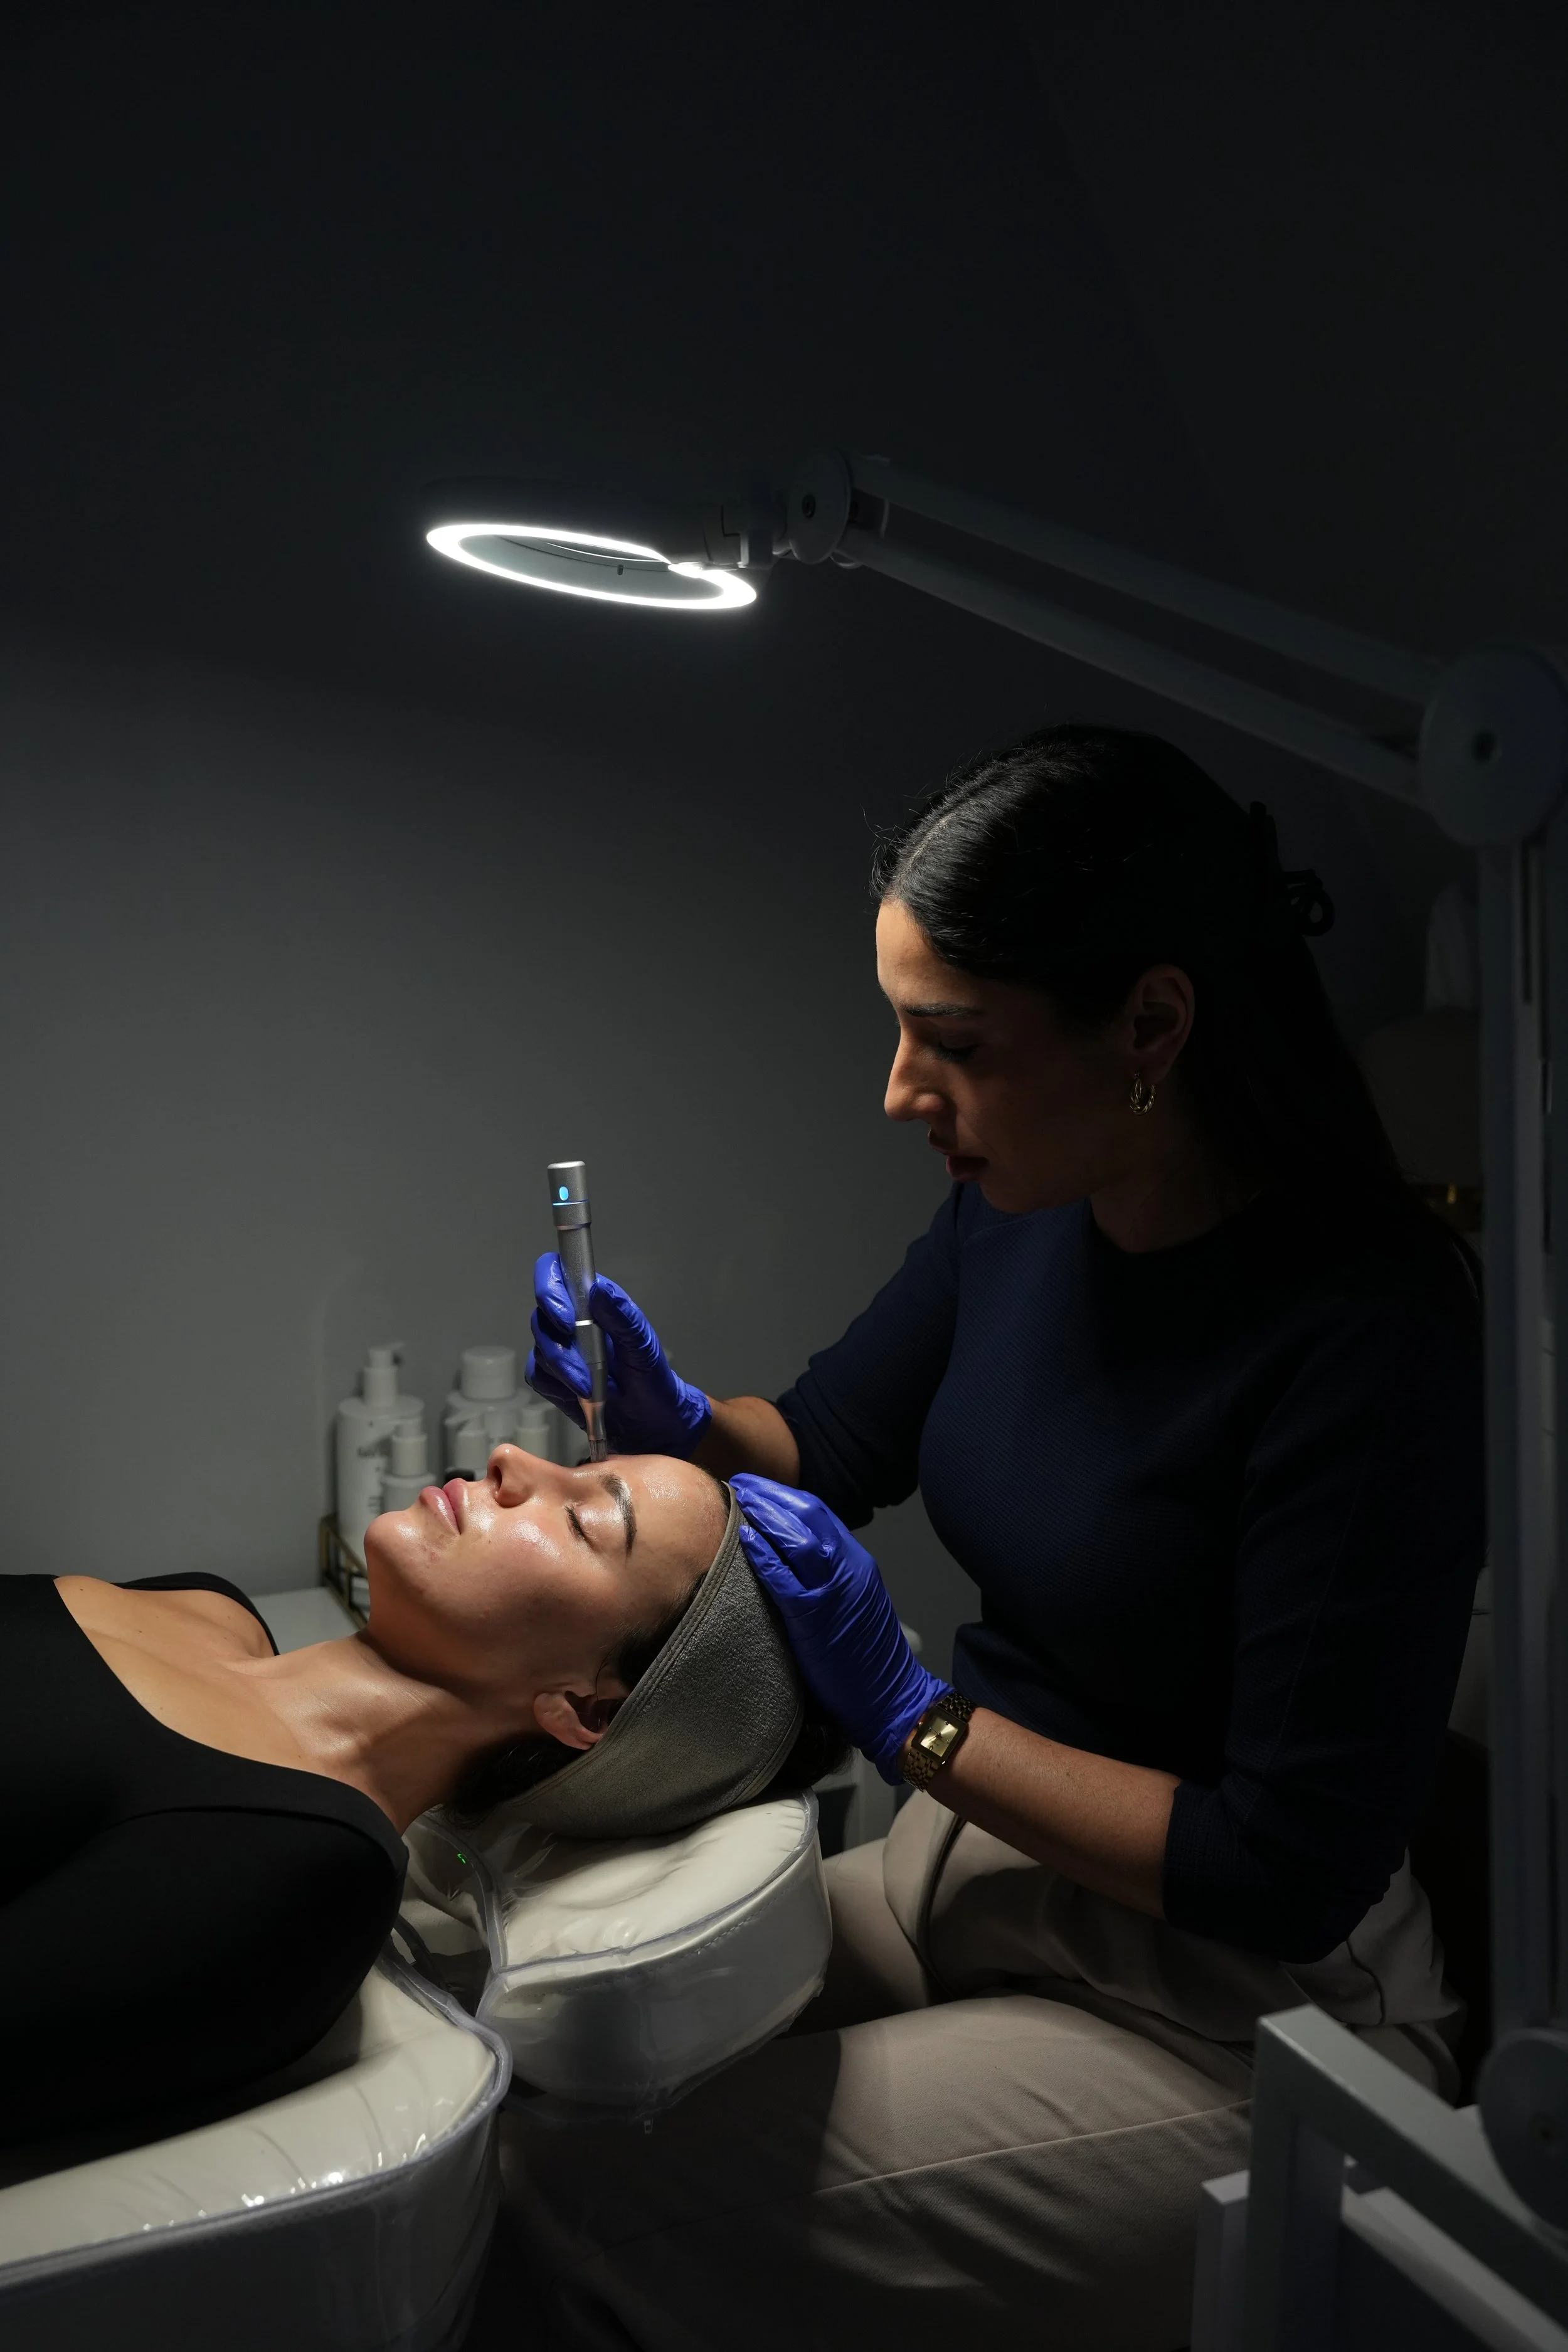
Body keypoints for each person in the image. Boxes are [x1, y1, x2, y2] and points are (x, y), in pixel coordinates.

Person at [518, 724, 1484, 2349]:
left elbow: (1277, 1856)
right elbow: (821, 1445)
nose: (898, 1088)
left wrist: (912, 1713)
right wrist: (670, 1417)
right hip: (964, 1881)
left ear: (1150, 1026)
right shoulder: (1016, 1207)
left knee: (583, 2192)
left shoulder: (1363, 1330)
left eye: (946, 1040)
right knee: (547, 2060)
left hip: (1238, 2018)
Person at [0, 1443, 824, 2151]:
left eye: (584, 1520)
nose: (508, 1459)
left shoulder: (307, 1866)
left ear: (584, 1709)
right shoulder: (210, 1605)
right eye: (573, 1464)